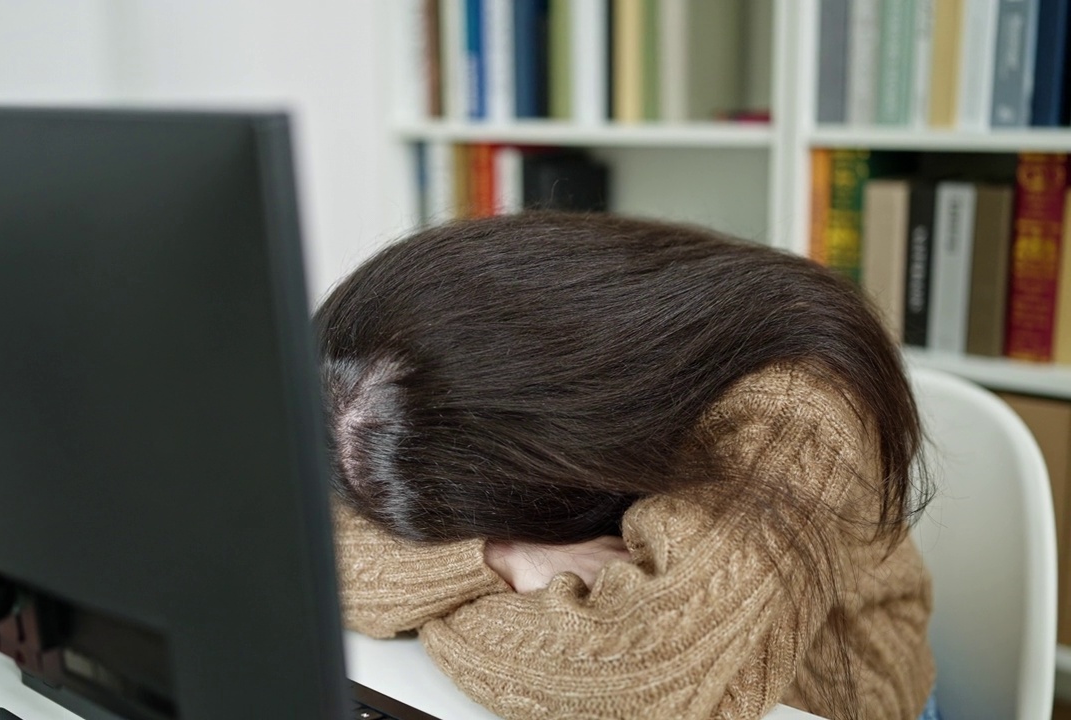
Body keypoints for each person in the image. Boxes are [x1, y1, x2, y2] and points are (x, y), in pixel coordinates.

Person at [318, 213, 936, 720]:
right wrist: (497, 557)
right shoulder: (598, 357)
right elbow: (308, 545)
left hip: (828, 702)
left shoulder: (799, 402)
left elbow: (643, 680)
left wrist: (472, 578)